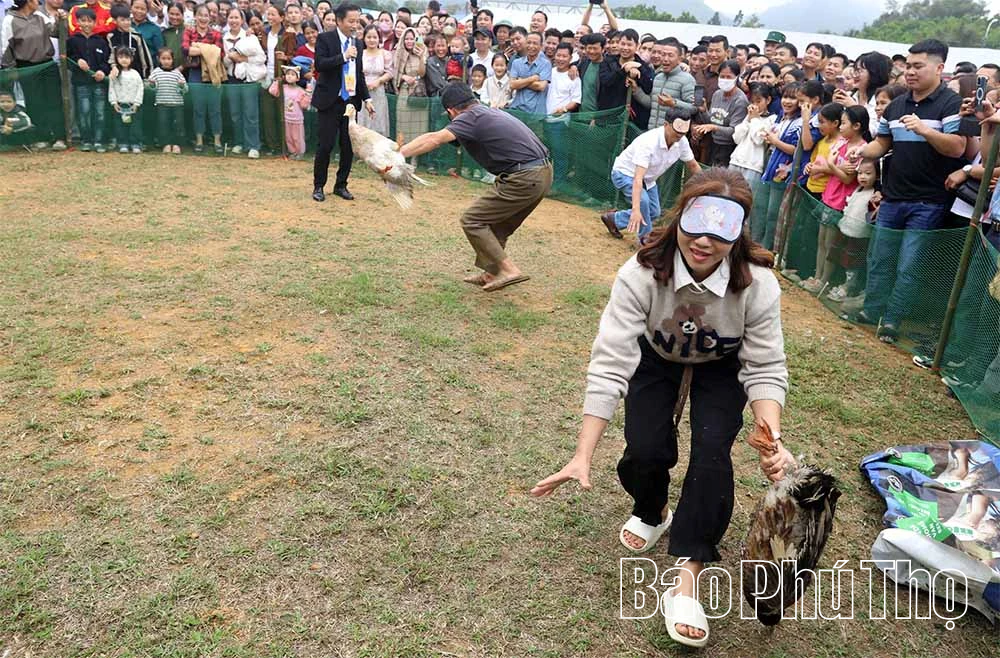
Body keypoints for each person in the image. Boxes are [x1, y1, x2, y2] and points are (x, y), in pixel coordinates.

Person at [532, 167, 794, 648]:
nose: (705, 242)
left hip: (722, 361)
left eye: (722, 232)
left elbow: (765, 365)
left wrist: (770, 436)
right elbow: (611, 359)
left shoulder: (758, 283)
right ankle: (653, 511)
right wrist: (582, 453)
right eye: (696, 225)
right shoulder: (641, 272)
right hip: (658, 354)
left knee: (713, 453)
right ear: (679, 217)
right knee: (644, 450)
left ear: (738, 234)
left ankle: (687, 578)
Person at [848, 39, 966, 343]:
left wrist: (925, 129)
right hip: (893, 196)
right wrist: (862, 152)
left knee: (910, 265)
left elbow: (958, 148)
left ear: (939, 68)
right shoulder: (898, 103)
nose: (910, 72)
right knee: (880, 258)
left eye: (918, 66)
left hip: (929, 200)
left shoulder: (951, 104)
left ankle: (892, 320)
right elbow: (883, 142)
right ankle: (871, 311)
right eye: (908, 66)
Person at [398, 82, 553, 292]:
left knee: (472, 220)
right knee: (498, 225)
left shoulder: (469, 117)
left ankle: (509, 270)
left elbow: (434, 139)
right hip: (542, 173)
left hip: (525, 176)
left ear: (451, 111)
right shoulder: (484, 112)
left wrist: (396, 155)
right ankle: (491, 273)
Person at [601, 107, 701, 244]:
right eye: (677, 133)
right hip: (625, 173)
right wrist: (636, 209)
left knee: (654, 212)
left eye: (683, 134)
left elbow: (693, 165)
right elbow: (637, 178)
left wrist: (709, 185)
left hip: (648, 180)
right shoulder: (648, 142)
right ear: (666, 125)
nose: (679, 137)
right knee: (643, 202)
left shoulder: (682, 142)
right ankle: (645, 241)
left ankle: (614, 219)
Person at [311, 2, 374, 203]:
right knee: (325, 146)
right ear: (339, 21)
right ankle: (319, 186)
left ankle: (341, 185)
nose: (355, 25)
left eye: (358, 21)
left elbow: (359, 74)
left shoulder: (359, 43)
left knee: (348, 147)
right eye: (351, 21)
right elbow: (320, 65)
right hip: (330, 101)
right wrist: (343, 56)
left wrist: (367, 98)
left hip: (350, 104)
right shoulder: (325, 39)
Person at [0, 0, 63, 150]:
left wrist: (60, 22)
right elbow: (6, 46)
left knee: (54, 100)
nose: (38, 2)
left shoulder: (40, 15)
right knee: (35, 101)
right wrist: (10, 68)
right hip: (26, 66)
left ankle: (59, 136)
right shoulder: (10, 19)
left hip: (47, 63)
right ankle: (42, 137)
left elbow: (54, 32)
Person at [827, 158, 878, 302]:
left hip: (860, 235)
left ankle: (848, 288)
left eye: (868, 173)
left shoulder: (874, 194)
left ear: (878, 175)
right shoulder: (858, 189)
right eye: (860, 173)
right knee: (843, 260)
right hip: (845, 230)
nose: (862, 176)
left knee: (853, 265)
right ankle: (843, 285)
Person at [66, 7, 110, 152]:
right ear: (77, 22)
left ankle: (99, 140)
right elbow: (67, 59)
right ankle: (86, 139)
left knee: (100, 112)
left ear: (95, 22)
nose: (86, 24)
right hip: (81, 83)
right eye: (83, 21)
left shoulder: (101, 41)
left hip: (98, 83)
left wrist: (102, 71)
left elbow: (106, 61)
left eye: (89, 21)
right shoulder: (72, 41)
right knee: (84, 111)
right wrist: (77, 61)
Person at [182, 3, 223, 153]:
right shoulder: (189, 32)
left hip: (213, 73)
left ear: (210, 17)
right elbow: (186, 50)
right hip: (194, 73)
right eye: (201, 15)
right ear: (195, 16)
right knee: (198, 109)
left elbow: (219, 53)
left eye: (206, 15)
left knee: (215, 109)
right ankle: (199, 141)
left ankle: (217, 141)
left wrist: (198, 48)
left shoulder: (216, 34)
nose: (203, 18)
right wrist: (208, 50)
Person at [693, 59, 747, 167]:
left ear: (736, 77)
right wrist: (704, 111)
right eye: (722, 76)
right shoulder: (717, 94)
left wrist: (714, 127)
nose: (725, 80)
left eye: (729, 77)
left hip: (728, 148)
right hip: (712, 143)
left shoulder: (740, 100)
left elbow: (734, 131)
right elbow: (713, 120)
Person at [598, 28, 652, 128]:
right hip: (608, 117)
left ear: (637, 46)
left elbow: (649, 87)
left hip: (633, 120)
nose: (625, 48)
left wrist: (638, 72)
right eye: (622, 44)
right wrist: (624, 70)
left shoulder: (643, 66)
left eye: (629, 44)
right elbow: (606, 81)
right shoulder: (608, 61)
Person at [544, 42, 580, 181]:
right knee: (545, 154)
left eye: (565, 56)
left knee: (560, 154)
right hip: (543, 119)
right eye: (558, 55)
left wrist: (563, 109)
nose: (561, 59)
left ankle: (559, 184)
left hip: (560, 123)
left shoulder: (574, 77)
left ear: (570, 58)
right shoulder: (548, 72)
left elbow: (576, 100)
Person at [392, 27, 427, 160]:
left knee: (418, 128)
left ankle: (415, 158)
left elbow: (423, 73)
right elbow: (394, 73)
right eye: (406, 38)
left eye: (412, 38)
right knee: (402, 125)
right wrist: (403, 77)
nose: (409, 41)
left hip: (418, 94)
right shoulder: (398, 54)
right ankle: (401, 155)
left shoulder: (421, 52)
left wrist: (422, 57)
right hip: (404, 92)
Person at [730, 82, 776, 185]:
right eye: (752, 102)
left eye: (758, 101)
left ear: (768, 100)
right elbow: (736, 138)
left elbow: (758, 140)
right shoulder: (749, 116)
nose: (755, 105)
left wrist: (754, 119)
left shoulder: (772, 119)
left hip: (753, 166)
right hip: (736, 160)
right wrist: (748, 120)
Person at [147, 46, 187, 153]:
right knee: (163, 125)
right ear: (159, 59)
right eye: (163, 59)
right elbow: (152, 88)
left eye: (168, 59)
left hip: (177, 104)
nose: (166, 61)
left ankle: (177, 144)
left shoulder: (177, 73)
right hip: (162, 104)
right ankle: (166, 144)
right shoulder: (156, 72)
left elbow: (185, 90)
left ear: (172, 59)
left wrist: (182, 86)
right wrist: (151, 84)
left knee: (178, 125)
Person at [648, 39, 695, 129]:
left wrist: (673, 103)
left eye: (670, 55)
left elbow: (694, 108)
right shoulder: (658, 77)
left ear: (679, 59)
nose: (665, 59)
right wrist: (636, 90)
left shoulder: (687, 79)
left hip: (673, 133)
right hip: (653, 132)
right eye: (663, 55)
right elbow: (652, 103)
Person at [269, 64, 310, 158]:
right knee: (288, 137)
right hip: (286, 118)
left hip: (297, 118)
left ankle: (299, 152)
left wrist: (308, 94)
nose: (289, 76)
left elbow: (304, 105)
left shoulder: (300, 91)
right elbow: (272, 92)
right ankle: (292, 151)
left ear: (297, 78)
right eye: (288, 74)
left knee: (297, 137)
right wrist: (276, 82)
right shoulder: (283, 88)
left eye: (292, 74)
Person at [108, 45, 143, 153]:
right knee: (120, 125)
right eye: (121, 57)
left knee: (135, 125)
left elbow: (140, 88)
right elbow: (111, 88)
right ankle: (123, 143)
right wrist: (114, 102)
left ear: (131, 59)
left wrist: (137, 103)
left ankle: (135, 143)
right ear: (117, 58)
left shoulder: (135, 74)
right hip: (120, 104)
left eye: (127, 57)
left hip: (133, 105)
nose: (124, 60)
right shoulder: (115, 74)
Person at [359, 23, 391, 138]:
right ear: (364, 38)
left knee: (378, 120)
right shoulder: (360, 54)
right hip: (363, 91)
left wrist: (379, 81)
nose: (371, 40)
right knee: (364, 121)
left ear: (379, 38)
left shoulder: (385, 54)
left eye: (374, 37)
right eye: (369, 37)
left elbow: (390, 72)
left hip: (378, 91)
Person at [508, 31, 550, 115]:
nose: (531, 46)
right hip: (517, 110)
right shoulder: (516, 62)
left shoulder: (546, 64)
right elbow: (512, 85)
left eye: (535, 43)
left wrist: (520, 81)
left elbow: (541, 86)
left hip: (536, 113)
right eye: (529, 42)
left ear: (541, 46)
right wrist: (533, 78)